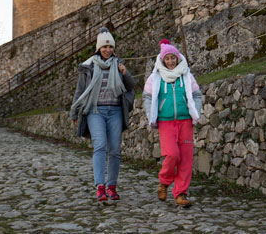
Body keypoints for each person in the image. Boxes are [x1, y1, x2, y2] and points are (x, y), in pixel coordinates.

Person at [70, 27, 135, 202]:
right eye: (104, 47)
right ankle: (100, 187)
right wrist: (73, 112)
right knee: (100, 146)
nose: (108, 50)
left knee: (114, 150)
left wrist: (125, 72)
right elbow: (80, 91)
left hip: (115, 111)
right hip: (95, 111)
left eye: (110, 47)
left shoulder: (118, 64)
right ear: (98, 48)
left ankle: (111, 186)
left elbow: (131, 85)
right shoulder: (88, 66)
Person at [143, 39, 202, 207]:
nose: (170, 61)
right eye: (167, 58)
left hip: (185, 121)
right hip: (166, 122)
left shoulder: (186, 75)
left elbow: (197, 94)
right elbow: (147, 97)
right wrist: (150, 113)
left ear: (177, 58)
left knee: (185, 158)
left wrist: (196, 111)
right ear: (162, 60)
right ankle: (164, 182)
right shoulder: (155, 77)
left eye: (173, 58)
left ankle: (181, 193)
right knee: (172, 155)